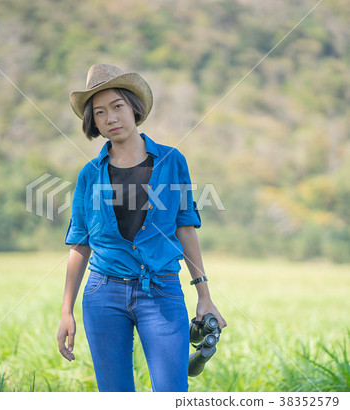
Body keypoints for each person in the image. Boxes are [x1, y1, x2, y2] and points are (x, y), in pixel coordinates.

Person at [57, 64, 226, 392]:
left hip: (161, 292)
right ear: (94, 122)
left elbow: (186, 228)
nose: (111, 119)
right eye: (101, 112)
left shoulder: (171, 161)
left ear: (134, 108)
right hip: (102, 295)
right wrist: (66, 311)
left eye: (118, 107)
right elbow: (80, 243)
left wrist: (204, 295)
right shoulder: (89, 174)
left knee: (171, 392)